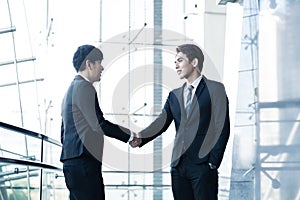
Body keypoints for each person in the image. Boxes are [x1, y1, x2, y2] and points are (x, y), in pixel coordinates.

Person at [131, 44, 230, 200]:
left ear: (195, 62)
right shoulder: (174, 95)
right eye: (175, 62)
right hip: (179, 166)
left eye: (180, 60)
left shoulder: (215, 89)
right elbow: (161, 122)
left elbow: (222, 127)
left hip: (203, 165)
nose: (176, 65)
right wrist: (141, 136)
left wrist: (213, 162)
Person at [60, 44, 137, 200]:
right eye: (99, 62)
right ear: (89, 64)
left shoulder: (69, 90)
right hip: (84, 163)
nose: (102, 68)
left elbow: (64, 132)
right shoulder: (84, 87)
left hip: (71, 163)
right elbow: (99, 124)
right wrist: (130, 136)